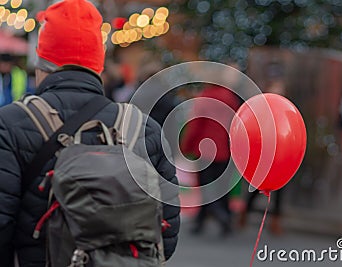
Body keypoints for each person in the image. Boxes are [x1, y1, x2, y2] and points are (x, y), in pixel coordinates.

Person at [0, 0, 180, 266]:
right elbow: (167, 232)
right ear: (98, 65)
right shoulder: (142, 128)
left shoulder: (11, 123)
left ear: (42, 63)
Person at [180, 84, 241, 236]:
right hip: (225, 149)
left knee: (206, 187)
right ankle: (213, 220)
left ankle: (219, 215)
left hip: (206, 150)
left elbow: (195, 125)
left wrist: (186, 147)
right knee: (222, 188)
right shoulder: (230, 98)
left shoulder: (204, 98)